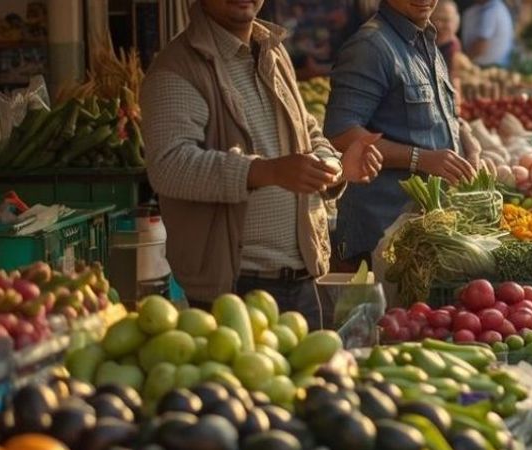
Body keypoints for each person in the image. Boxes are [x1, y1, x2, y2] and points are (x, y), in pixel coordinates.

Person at [142, 0, 383, 327]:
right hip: (233, 293)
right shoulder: (179, 67)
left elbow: (308, 131)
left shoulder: (271, 50)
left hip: (302, 281)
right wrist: (265, 171)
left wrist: (337, 166)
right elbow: (170, 166)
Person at [326, 0, 482, 271]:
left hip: (418, 237)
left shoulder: (427, 41)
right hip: (379, 238)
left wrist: (464, 138)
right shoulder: (370, 47)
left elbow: (429, 119)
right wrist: (419, 159)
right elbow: (340, 134)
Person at [460, 0, 514, 67]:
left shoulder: (491, 12)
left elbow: (480, 47)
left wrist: (463, 60)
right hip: (495, 63)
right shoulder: (496, 6)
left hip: (485, 66)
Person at [432, 0, 463, 94]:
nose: (443, 25)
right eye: (439, 19)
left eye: (448, 20)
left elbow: (454, 81)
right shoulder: (425, 41)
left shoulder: (453, 48)